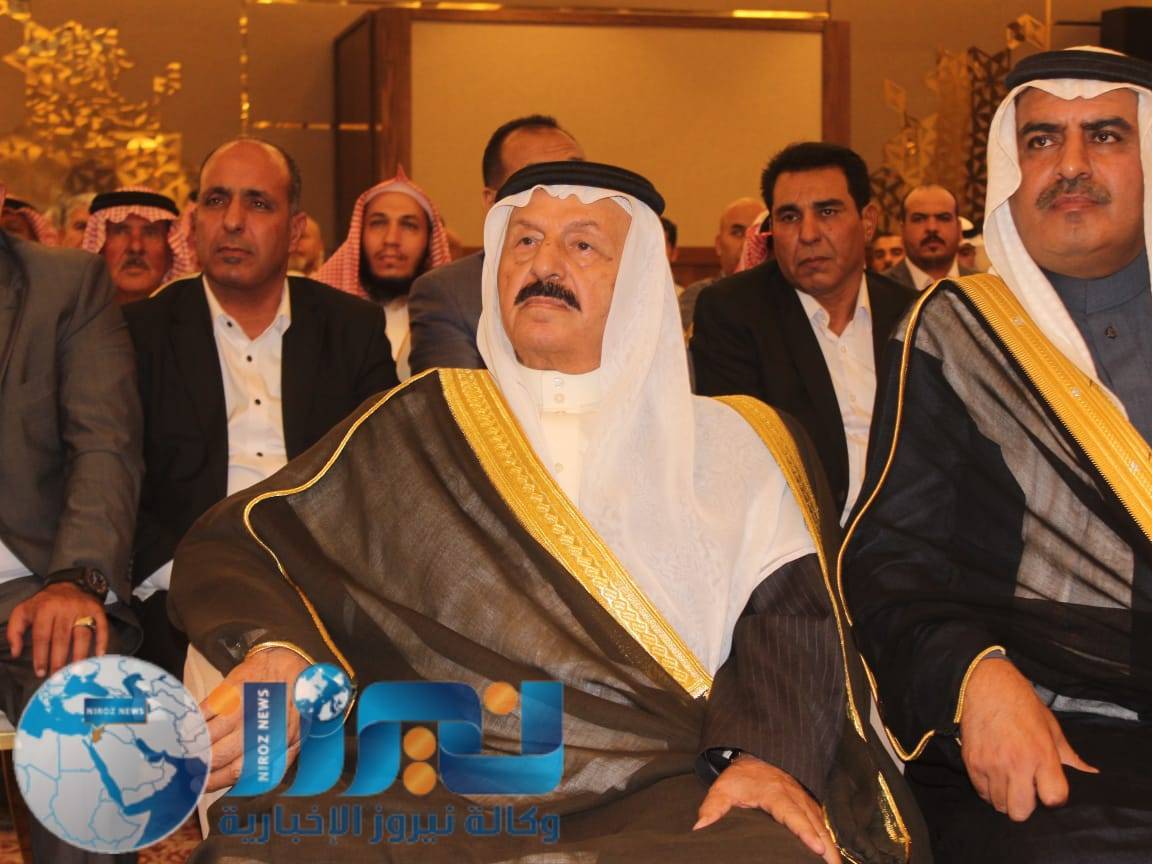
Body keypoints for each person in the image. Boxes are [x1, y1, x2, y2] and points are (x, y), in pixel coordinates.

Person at [169, 161, 924, 863]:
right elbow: (246, 541)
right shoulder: (426, 418)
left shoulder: (736, 442)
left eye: (583, 244)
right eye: (524, 241)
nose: (544, 264)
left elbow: (792, 623)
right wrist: (282, 651)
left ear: (639, 284)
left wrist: (761, 756)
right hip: (439, 777)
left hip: (661, 781)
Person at [843, 48, 1152, 862]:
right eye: (1043, 139)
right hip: (1083, 718)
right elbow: (891, 561)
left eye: (1106, 136)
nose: (1072, 164)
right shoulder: (961, 331)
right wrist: (976, 678)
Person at [123, 138, 397, 678]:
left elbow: (383, 473)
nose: (232, 221)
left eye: (258, 203)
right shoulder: (141, 334)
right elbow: (116, 482)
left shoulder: (351, 329)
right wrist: (199, 575)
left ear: (295, 230)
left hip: (322, 585)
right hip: (184, 589)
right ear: (193, 222)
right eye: (216, 200)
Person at [0, 185, 144, 863]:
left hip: (29, 590)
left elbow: (105, 446)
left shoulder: (62, 286)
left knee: (93, 710)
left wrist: (75, 580)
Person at [691, 142, 913, 524]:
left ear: (868, 222)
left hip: (911, 540)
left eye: (827, 212)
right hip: (797, 539)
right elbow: (736, 462)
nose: (808, 234)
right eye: (790, 217)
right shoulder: (734, 312)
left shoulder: (913, 314)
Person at [408, 114, 584, 372]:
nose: (562, 196)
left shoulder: (613, 277)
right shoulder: (451, 293)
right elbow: (456, 396)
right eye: (539, 184)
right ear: (492, 202)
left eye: (574, 180)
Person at [313, 168, 451, 379]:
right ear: (359, 235)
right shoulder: (320, 312)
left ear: (430, 242)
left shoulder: (450, 321)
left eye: (409, 225)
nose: (391, 239)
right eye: (378, 223)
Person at [81, 187, 197, 304]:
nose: (136, 247)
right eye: (121, 232)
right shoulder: (75, 314)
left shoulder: (195, 314)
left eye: (150, 233)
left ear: (170, 254)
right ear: (100, 249)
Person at [678, 196, 765, 333]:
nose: (746, 243)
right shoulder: (699, 295)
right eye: (737, 233)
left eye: (757, 233)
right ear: (718, 245)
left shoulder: (783, 295)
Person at [884, 185, 967, 292]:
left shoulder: (984, 287)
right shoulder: (876, 291)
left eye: (943, 218)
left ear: (959, 229)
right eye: (919, 219)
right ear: (902, 230)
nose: (932, 228)